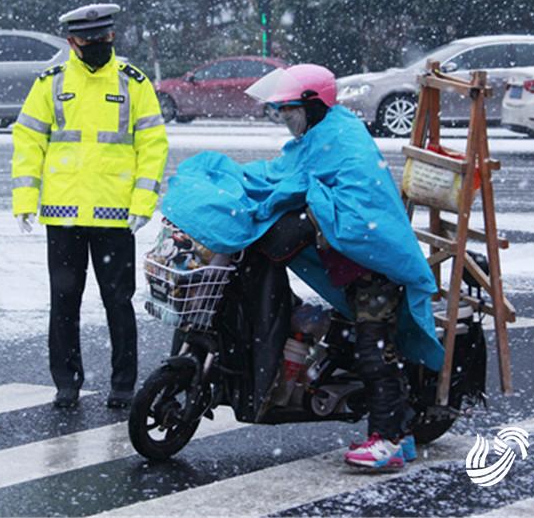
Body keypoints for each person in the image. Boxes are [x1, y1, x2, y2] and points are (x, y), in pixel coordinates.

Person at [161, 64, 443, 470]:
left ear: (313, 106)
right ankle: (401, 429)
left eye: (289, 111)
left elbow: (351, 208)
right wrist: (239, 181)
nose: (286, 120)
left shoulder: (341, 140)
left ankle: (390, 441)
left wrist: (312, 206)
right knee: (348, 337)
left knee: (374, 348)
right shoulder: (320, 134)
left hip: (376, 263)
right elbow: (287, 175)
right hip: (350, 264)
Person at [11, 3, 169, 409]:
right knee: (64, 301)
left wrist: (143, 202)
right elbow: (29, 141)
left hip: (116, 217)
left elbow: (152, 147)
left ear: (112, 37)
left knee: (118, 302)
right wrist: (25, 199)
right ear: (71, 42)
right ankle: (66, 382)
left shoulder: (133, 84)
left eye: (105, 38)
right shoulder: (51, 83)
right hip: (62, 215)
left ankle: (123, 384)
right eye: (89, 40)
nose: (98, 45)